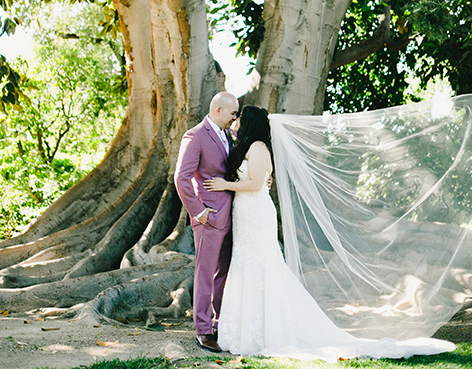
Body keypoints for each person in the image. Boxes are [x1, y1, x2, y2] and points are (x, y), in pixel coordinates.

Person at [204, 105, 456, 362]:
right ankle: (247, 329)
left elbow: (256, 183)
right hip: (245, 214)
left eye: (239, 118)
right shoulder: (249, 147)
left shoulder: (258, 147)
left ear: (249, 124)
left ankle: (268, 330)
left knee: (263, 265)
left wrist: (226, 185)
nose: (235, 121)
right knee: (246, 265)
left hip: (256, 215)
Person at [174, 91, 239, 353]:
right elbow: (182, 177)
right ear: (218, 110)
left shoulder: (230, 135)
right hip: (209, 217)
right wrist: (198, 211)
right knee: (205, 273)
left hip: (233, 215)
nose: (235, 118)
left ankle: (220, 324)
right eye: (233, 113)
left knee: (223, 273)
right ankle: (202, 330)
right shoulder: (195, 136)